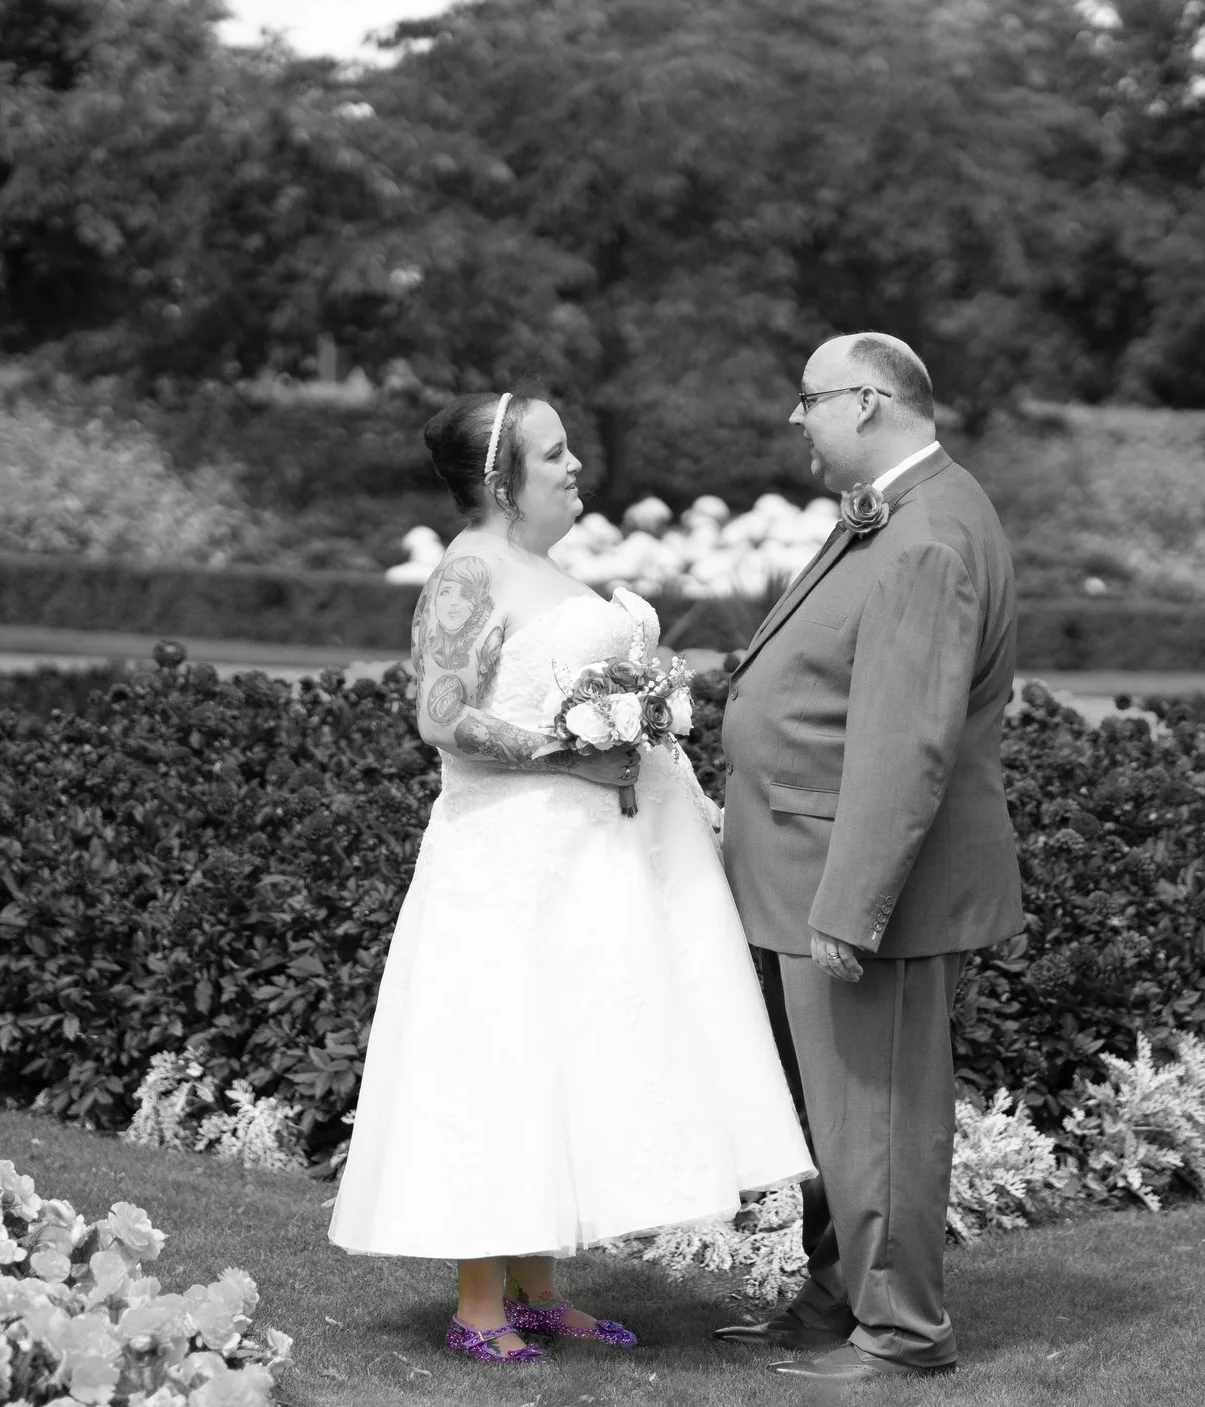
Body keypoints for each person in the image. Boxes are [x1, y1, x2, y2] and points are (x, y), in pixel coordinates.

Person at [329, 391, 815, 1365]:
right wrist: (566, 751)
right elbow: (438, 714)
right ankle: (478, 1306)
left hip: (585, 866)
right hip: (503, 863)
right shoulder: (468, 573)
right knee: (499, 1055)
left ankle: (541, 1287)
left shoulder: (542, 571)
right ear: (503, 477)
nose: (574, 466)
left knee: (563, 1055)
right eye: (554, 454)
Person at [713, 333, 1025, 1382]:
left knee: (878, 1116)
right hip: (805, 865)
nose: (796, 420)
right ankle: (839, 1296)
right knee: (839, 1119)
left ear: (867, 402)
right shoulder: (901, 510)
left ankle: (901, 1331)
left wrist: (850, 909)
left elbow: (905, 746)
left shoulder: (928, 531)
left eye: (808, 400)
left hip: (852, 886)